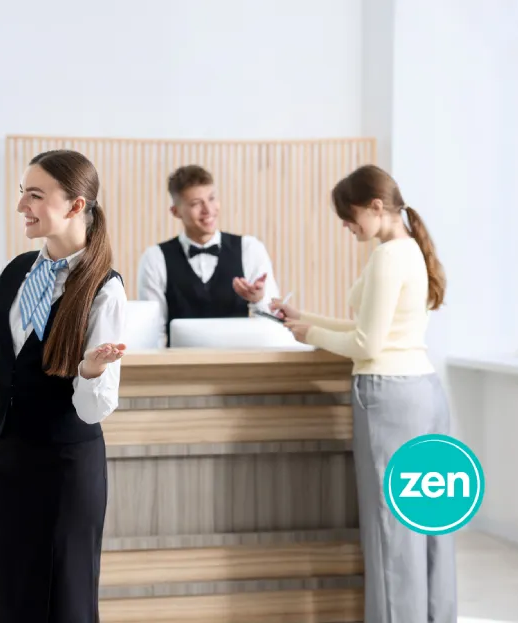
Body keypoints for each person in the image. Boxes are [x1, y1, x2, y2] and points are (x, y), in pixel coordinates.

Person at [0, 149, 127, 623]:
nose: (21, 207)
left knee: (66, 603)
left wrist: (93, 370)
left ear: (76, 205)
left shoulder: (104, 289)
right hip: (2, 462)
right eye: (22, 193)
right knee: (8, 597)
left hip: (66, 470)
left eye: (34, 195)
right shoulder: (14, 274)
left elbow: (96, 409)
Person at [274, 164, 456, 623]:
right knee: (430, 523)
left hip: (387, 399)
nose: (346, 225)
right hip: (424, 392)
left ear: (376, 207)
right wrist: (306, 321)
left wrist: (309, 333)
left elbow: (366, 345)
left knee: (390, 531)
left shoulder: (386, 257)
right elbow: (371, 329)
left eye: (349, 215)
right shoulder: (409, 249)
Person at [136, 164, 281, 347]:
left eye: (211, 199)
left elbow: (273, 325)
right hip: (179, 368)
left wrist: (258, 300)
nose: (208, 210)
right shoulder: (154, 258)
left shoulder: (250, 248)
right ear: (176, 211)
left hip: (241, 364)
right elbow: (153, 332)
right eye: (196, 203)